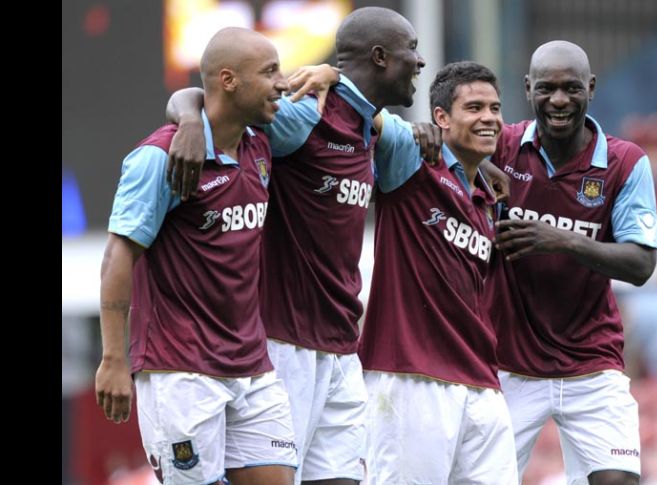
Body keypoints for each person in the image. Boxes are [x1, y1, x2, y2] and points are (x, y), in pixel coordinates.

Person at [164, 8, 425, 484]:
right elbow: (221, 101)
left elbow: (435, 148)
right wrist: (186, 115)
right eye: (412, 49)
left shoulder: (379, 130)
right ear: (382, 57)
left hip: (344, 349)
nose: (421, 61)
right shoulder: (306, 113)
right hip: (283, 345)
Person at [95, 27, 297, 485]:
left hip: (252, 367)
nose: (281, 83)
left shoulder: (260, 143)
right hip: (180, 371)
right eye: (269, 73)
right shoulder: (159, 157)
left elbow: (331, 95)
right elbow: (117, 257)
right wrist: (112, 358)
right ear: (229, 80)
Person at [490, 40, 657, 485]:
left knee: (619, 480)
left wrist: (561, 241)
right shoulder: (501, 148)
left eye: (571, 88)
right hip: (507, 360)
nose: (559, 100)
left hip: (591, 360)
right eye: (546, 88)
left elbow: (641, 265)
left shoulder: (624, 162)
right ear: (528, 89)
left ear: (592, 87)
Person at [360, 61, 517, 484]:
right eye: (475, 107)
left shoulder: (490, 199)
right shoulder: (413, 161)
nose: (490, 118)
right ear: (442, 118)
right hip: (411, 378)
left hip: (483, 382)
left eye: (495, 108)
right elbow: (358, 106)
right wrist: (408, 126)